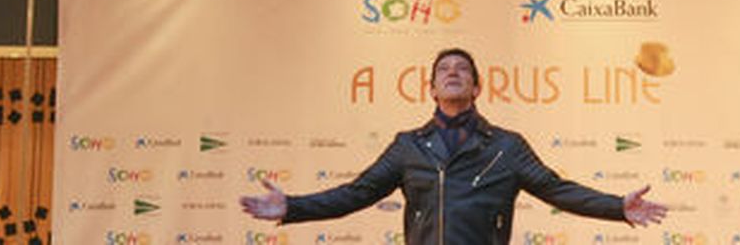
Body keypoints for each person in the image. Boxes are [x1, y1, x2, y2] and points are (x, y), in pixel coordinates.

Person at [240, 47, 667, 242]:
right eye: (444, 69)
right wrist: (293, 207)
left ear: (477, 87)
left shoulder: (506, 146)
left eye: (463, 69)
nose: (453, 72)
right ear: (431, 88)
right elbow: (357, 193)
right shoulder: (408, 146)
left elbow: (557, 190)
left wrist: (617, 206)